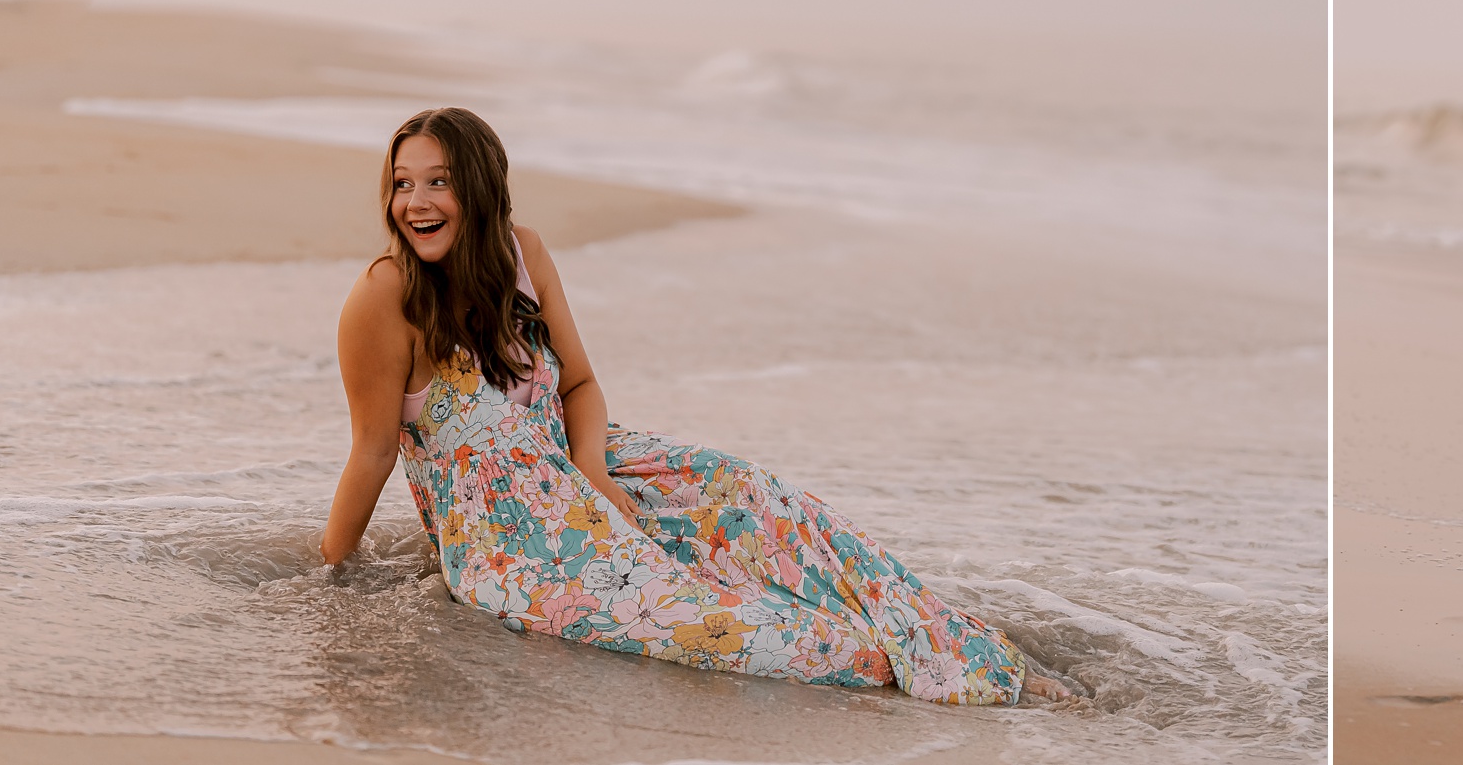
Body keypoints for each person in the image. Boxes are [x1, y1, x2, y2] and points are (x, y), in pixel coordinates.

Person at [319, 107, 1070, 702]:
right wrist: (327, 577)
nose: (414, 200)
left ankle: (957, 642)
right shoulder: (383, 298)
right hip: (516, 536)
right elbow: (375, 451)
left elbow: (578, 384)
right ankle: (952, 683)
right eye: (402, 182)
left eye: (438, 181)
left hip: (591, 464)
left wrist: (595, 475)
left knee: (757, 500)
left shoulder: (522, 252)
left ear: (479, 189)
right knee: (721, 621)